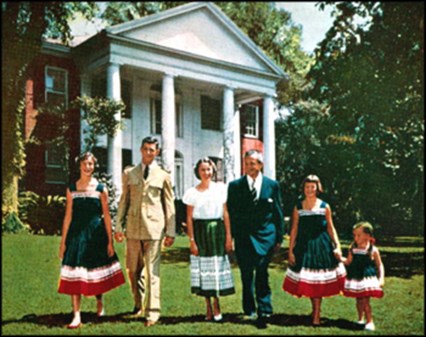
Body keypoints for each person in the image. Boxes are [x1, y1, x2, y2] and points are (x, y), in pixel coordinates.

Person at [58, 152, 125, 329]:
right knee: (75, 274)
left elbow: (107, 216)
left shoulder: (101, 188)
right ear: (79, 165)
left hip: (96, 235)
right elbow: (68, 216)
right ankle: (77, 315)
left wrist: (110, 241)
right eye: (85, 164)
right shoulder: (71, 188)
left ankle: (100, 301)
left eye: (91, 164)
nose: (88, 167)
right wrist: (63, 242)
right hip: (76, 235)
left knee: (96, 270)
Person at [114, 136, 176, 327]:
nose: (149, 152)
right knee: (133, 271)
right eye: (146, 149)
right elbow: (124, 200)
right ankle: (138, 304)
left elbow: (169, 204)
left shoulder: (163, 175)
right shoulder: (130, 173)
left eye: (152, 150)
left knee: (152, 272)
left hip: (154, 230)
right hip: (133, 229)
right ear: (141, 150)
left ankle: (153, 312)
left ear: (157, 152)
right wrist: (118, 226)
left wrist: (170, 232)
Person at [227, 149, 284, 329]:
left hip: (266, 236)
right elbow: (233, 214)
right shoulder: (235, 186)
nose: (249, 167)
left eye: (253, 163)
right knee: (246, 274)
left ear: (260, 165)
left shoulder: (272, 185)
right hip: (244, 238)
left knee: (261, 271)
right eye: (246, 163)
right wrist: (233, 238)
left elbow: (278, 213)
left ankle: (265, 308)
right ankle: (249, 308)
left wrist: (279, 238)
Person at [282, 174, 346, 326]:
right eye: (307, 187)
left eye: (313, 187)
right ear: (303, 189)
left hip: (321, 246)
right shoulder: (298, 207)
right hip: (304, 247)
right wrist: (290, 251)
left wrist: (337, 245)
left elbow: (331, 228)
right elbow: (294, 229)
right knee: (310, 280)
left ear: (318, 189)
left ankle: (316, 314)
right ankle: (315, 310)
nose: (310, 190)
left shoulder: (325, 206)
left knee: (317, 280)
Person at [182, 157, 235, 322]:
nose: (206, 173)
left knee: (216, 267)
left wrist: (228, 237)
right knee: (203, 270)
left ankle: (217, 303)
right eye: (203, 170)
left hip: (217, 231)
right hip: (200, 232)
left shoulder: (221, 189)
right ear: (198, 172)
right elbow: (189, 219)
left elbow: (226, 214)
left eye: (209, 169)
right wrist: (192, 241)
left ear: (213, 170)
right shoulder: (191, 193)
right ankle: (208, 306)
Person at [341, 221, 384, 331]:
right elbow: (349, 262)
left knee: (365, 300)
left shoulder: (372, 250)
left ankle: (370, 321)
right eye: (354, 235)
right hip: (356, 277)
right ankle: (361, 318)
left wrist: (381, 278)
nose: (356, 238)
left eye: (358, 235)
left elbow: (379, 265)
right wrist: (339, 258)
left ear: (368, 236)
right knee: (358, 299)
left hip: (367, 278)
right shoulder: (353, 248)